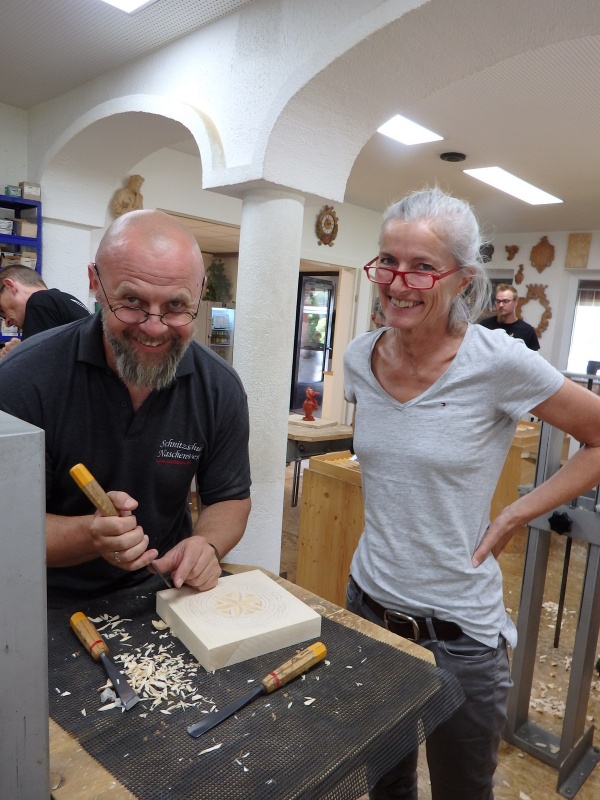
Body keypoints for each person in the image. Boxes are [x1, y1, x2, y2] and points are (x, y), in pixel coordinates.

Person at [343, 187, 600, 800]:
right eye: (389, 262)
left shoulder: (498, 361)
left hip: (457, 635)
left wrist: (516, 513)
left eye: (423, 267)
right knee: (384, 786)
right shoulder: (358, 358)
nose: (399, 282)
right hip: (368, 610)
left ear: (463, 278)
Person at [0, 210, 251, 609]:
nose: (154, 326)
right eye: (132, 301)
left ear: (200, 292)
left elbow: (229, 498)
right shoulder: (22, 381)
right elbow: (7, 526)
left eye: (176, 305)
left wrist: (207, 544)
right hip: (45, 602)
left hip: (163, 593)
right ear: (95, 284)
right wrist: (90, 534)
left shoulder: (218, 387)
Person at [0, 264, 90, 358]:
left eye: (2, 310)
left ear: (10, 286)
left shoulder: (40, 301)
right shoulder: (63, 301)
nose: (7, 323)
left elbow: (37, 364)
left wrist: (15, 355)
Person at [479, 283, 540, 350]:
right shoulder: (484, 326)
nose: (501, 305)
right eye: (498, 301)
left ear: (515, 302)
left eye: (506, 301)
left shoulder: (527, 330)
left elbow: (532, 355)